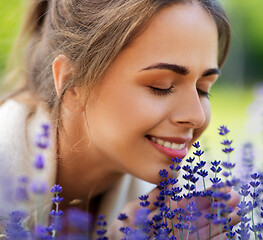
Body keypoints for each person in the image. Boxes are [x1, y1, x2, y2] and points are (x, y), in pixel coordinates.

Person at [0, 0, 240, 238]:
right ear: (72, 84)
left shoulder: (158, 213)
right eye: (161, 86)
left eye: (203, 89)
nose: (196, 117)